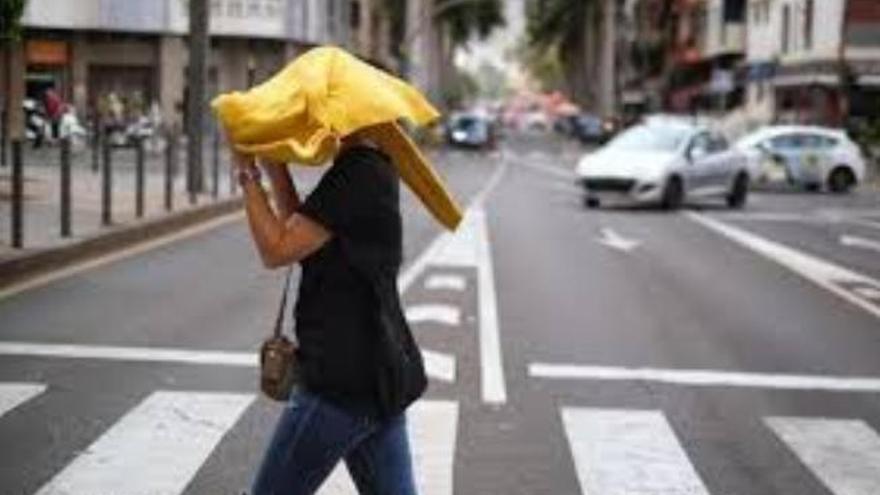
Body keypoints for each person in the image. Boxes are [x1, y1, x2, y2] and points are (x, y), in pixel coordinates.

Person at [233, 126, 426, 495]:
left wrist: (247, 174)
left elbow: (277, 249)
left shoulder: (355, 176)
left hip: (338, 385)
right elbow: (303, 232)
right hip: (378, 377)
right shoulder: (369, 168)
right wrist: (276, 166)